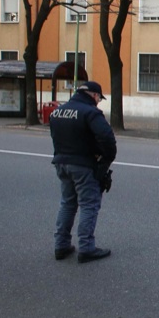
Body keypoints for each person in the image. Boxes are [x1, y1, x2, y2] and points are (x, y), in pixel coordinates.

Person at [50, 80, 117, 262]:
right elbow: (107, 139)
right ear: (94, 95)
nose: (98, 102)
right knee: (89, 204)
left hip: (62, 162)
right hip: (84, 165)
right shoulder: (91, 113)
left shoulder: (59, 111)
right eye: (98, 98)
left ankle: (61, 245)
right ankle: (86, 247)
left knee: (67, 203)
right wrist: (104, 162)